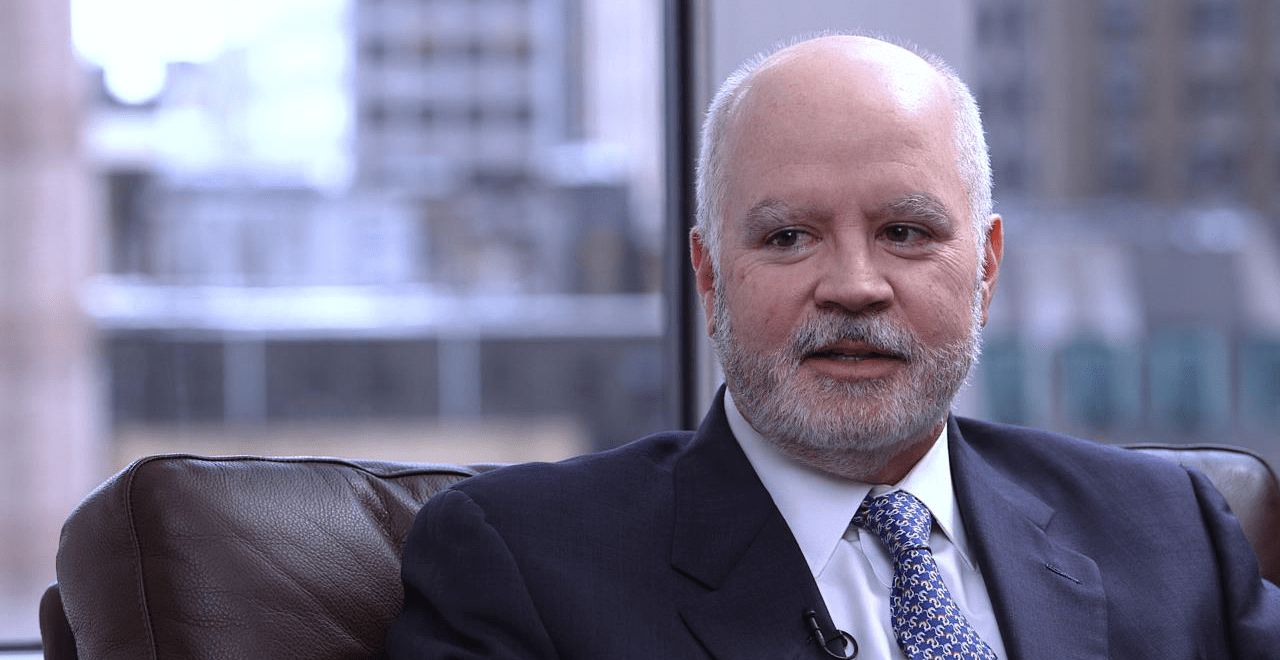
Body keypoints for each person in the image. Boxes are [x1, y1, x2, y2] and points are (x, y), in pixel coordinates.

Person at [387, 34, 1280, 659]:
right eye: (788, 237)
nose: (854, 284)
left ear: (986, 269)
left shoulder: (1173, 531)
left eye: (904, 232)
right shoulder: (520, 563)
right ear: (709, 276)